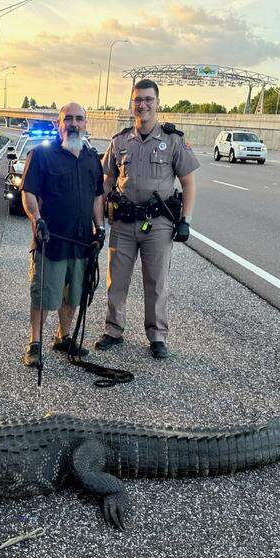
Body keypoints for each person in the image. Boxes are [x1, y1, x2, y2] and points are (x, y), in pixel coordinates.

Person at [97, 78, 199, 359]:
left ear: (157, 103)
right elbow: (107, 182)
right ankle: (113, 330)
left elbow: (188, 182)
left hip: (158, 225)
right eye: (138, 100)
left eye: (148, 99)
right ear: (132, 104)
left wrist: (185, 220)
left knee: (156, 282)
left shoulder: (173, 140)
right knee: (117, 281)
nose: (143, 105)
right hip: (123, 223)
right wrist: (97, 218)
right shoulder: (119, 141)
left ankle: (157, 336)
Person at [19, 102, 106, 367]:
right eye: (68, 118)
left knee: (73, 294)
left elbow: (97, 197)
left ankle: (63, 337)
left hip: (81, 243)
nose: (74, 124)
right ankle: (35, 343)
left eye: (79, 119)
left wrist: (100, 228)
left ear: (86, 124)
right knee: (44, 296)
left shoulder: (92, 159)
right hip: (51, 242)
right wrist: (37, 220)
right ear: (59, 123)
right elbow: (28, 192)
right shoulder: (41, 155)